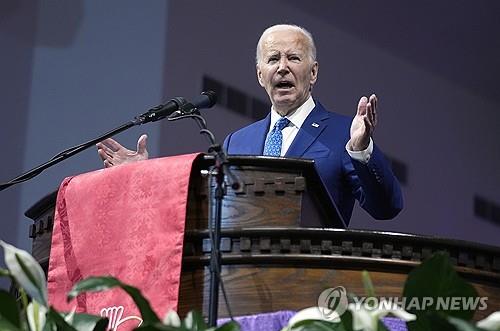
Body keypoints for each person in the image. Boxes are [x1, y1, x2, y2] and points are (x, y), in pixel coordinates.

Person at [97, 24, 403, 225]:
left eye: (294, 58)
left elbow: (386, 208)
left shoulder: (343, 134)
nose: (282, 67)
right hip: (241, 284)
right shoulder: (236, 142)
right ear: (260, 75)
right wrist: (144, 177)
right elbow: (205, 214)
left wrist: (362, 150)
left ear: (313, 73)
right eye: (273, 59)